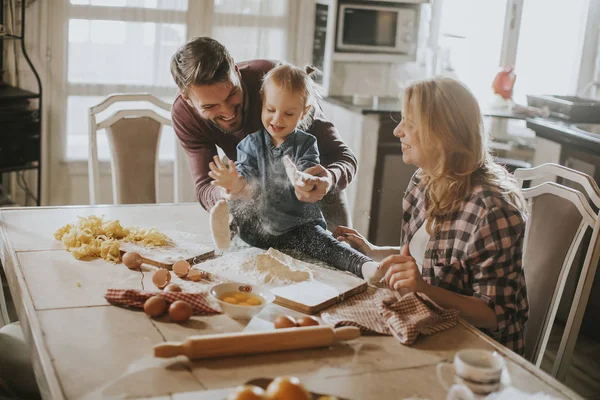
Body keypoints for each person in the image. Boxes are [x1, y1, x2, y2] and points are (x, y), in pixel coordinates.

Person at [333, 77, 529, 354]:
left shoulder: (493, 210)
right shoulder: (423, 180)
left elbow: (495, 314)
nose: (398, 131)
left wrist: (424, 290)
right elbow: (430, 260)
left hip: (476, 354)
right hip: (430, 322)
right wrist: (374, 251)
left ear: (443, 133)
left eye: (410, 124)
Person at [169, 37, 357, 231]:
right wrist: (228, 191)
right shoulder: (184, 114)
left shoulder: (275, 79)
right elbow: (205, 187)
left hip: (316, 191)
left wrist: (329, 179)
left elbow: (343, 156)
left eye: (232, 94)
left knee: (341, 252)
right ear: (187, 99)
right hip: (254, 197)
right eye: (210, 106)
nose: (228, 112)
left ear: (236, 71)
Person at [208, 62, 377, 278]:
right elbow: (247, 181)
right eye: (271, 110)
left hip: (298, 228)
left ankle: (364, 265)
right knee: (240, 226)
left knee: (326, 245)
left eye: (288, 114)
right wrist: (236, 184)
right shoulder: (249, 145)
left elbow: (309, 170)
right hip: (258, 228)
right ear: (263, 101)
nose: (277, 119)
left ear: (304, 112)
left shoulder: (305, 144)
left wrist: (304, 181)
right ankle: (224, 236)